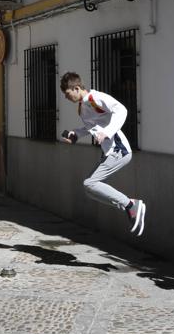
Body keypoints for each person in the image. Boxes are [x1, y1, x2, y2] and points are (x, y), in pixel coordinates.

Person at [58, 72, 146, 235]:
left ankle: (131, 205)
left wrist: (107, 132)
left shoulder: (94, 98)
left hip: (119, 150)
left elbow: (122, 110)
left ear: (76, 88)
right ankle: (129, 206)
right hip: (109, 152)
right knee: (90, 189)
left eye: (67, 93)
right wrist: (75, 134)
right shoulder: (83, 107)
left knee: (90, 183)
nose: (66, 98)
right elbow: (92, 127)